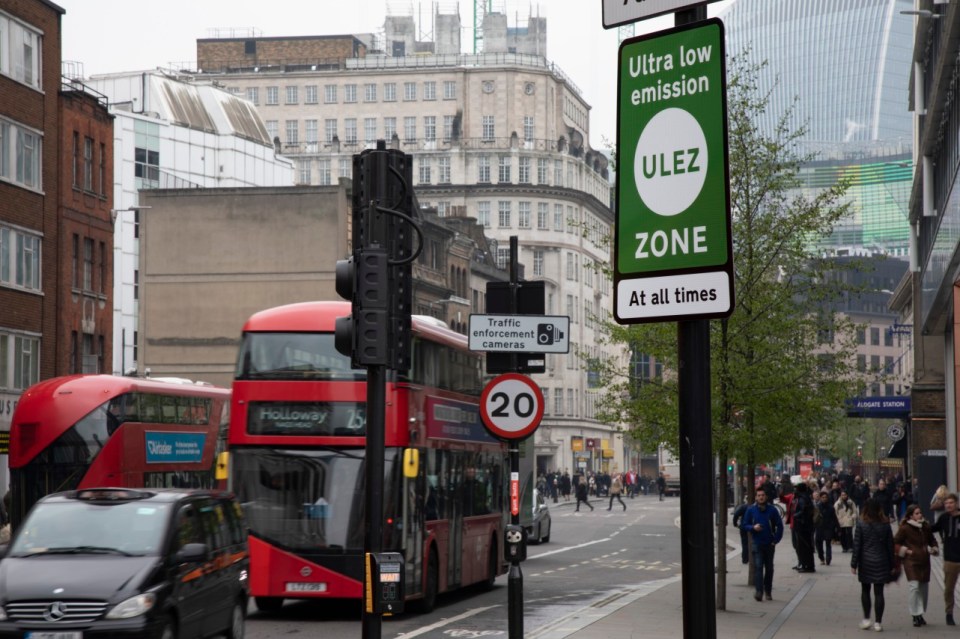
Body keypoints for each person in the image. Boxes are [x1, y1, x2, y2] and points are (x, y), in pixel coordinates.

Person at [851, 498, 896, 632]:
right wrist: (892, 564)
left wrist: (854, 564)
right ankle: (878, 622)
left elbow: (857, 545)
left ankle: (866, 619)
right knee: (879, 592)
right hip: (882, 561)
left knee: (865, 590)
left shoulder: (861, 524)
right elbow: (890, 546)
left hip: (866, 561)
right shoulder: (885, 524)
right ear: (879, 509)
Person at [894, 503, 939, 627]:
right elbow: (895, 543)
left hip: (924, 560)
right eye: (917, 513)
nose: (920, 515)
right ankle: (915, 614)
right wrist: (906, 551)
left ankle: (920, 613)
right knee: (914, 587)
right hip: (911, 561)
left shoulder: (925, 526)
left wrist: (934, 548)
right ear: (910, 515)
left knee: (924, 589)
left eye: (920, 513)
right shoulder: (905, 528)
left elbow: (932, 540)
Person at [740, 488, 784, 601]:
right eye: (759, 495)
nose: (761, 497)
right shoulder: (751, 510)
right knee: (758, 567)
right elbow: (744, 524)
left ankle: (768, 591)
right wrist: (753, 527)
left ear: (766, 497)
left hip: (769, 543)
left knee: (769, 568)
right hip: (757, 543)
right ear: (756, 497)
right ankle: (759, 591)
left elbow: (780, 525)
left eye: (763, 495)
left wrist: (776, 539)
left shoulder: (772, 510)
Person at [931, 492, 960, 625]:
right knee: (949, 588)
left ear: (956, 504)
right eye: (946, 503)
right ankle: (949, 613)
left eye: (951, 503)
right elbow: (933, 529)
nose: (948, 505)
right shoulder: (943, 518)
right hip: (950, 558)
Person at [792, 482, 816, 572]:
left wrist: (795, 515)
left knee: (803, 546)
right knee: (806, 546)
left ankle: (806, 566)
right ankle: (808, 565)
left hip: (802, 526)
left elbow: (803, 511)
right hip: (806, 525)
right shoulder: (806, 497)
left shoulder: (802, 498)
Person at [815, 490, 838, 566]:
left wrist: (836, 527)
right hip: (819, 527)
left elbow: (834, 518)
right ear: (820, 498)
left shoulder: (831, 507)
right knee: (819, 544)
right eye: (823, 497)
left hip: (828, 527)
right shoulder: (817, 507)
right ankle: (821, 558)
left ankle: (828, 558)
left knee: (828, 543)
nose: (824, 499)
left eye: (826, 497)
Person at [732, 497, 750, 564]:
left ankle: (745, 559)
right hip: (753, 527)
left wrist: (735, 524)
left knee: (744, 543)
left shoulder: (743, 507)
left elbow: (736, 514)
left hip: (744, 527)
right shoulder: (756, 507)